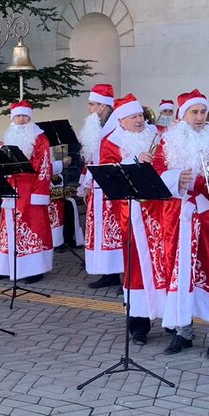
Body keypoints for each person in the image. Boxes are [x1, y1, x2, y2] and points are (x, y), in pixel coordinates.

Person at [153, 89, 209, 359]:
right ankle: (184, 332)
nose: (200, 117)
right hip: (178, 216)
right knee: (180, 273)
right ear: (183, 115)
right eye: (194, 112)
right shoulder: (168, 140)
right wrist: (174, 179)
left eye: (203, 111)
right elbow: (158, 170)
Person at [98, 93, 166, 344]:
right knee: (136, 268)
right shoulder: (111, 142)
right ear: (121, 120)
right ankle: (139, 325)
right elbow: (107, 173)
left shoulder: (158, 136)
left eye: (140, 115)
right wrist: (134, 161)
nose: (139, 120)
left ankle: (168, 318)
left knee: (164, 266)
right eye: (133, 117)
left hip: (160, 213)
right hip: (132, 214)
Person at [0, 101, 56, 284]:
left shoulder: (40, 138)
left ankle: (35, 269)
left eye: (24, 116)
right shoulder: (8, 136)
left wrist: (38, 193)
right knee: (9, 229)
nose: (21, 120)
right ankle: (8, 266)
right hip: (11, 188)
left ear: (30, 117)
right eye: (17, 116)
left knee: (32, 227)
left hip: (31, 190)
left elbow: (44, 166)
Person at [79, 83, 124, 288]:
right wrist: (86, 183)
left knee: (114, 232)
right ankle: (108, 272)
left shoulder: (117, 126)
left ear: (104, 106)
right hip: (98, 189)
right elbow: (91, 159)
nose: (89, 109)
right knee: (101, 233)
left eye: (92, 104)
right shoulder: (98, 127)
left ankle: (118, 273)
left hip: (113, 189)